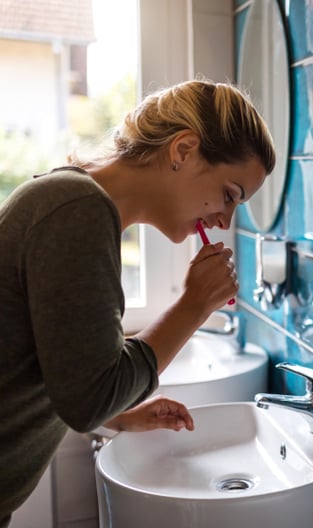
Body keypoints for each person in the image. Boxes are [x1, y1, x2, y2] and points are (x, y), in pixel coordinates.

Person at [0, 79, 276, 525]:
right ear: (183, 150)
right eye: (229, 194)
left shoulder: (77, 204)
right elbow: (89, 398)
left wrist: (120, 415)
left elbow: (62, 374)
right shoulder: (76, 209)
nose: (224, 220)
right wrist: (193, 306)